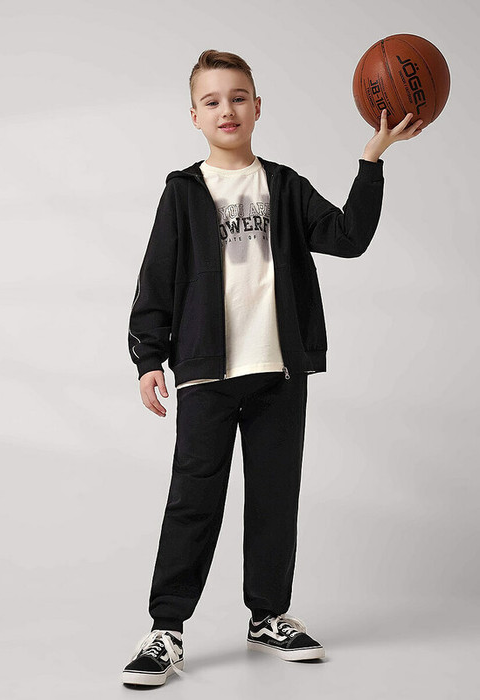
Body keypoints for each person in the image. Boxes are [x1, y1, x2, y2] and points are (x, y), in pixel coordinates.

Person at [122, 49, 423, 687]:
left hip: (279, 372)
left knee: (274, 500)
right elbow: (156, 279)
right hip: (206, 374)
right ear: (194, 116)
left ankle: (268, 617)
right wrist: (149, 357)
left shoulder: (284, 186)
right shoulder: (182, 192)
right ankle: (166, 629)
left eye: (238, 97)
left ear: (258, 107)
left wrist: (372, 159)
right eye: (212, 101)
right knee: (193, 501)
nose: (226, 109)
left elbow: (348, 238)